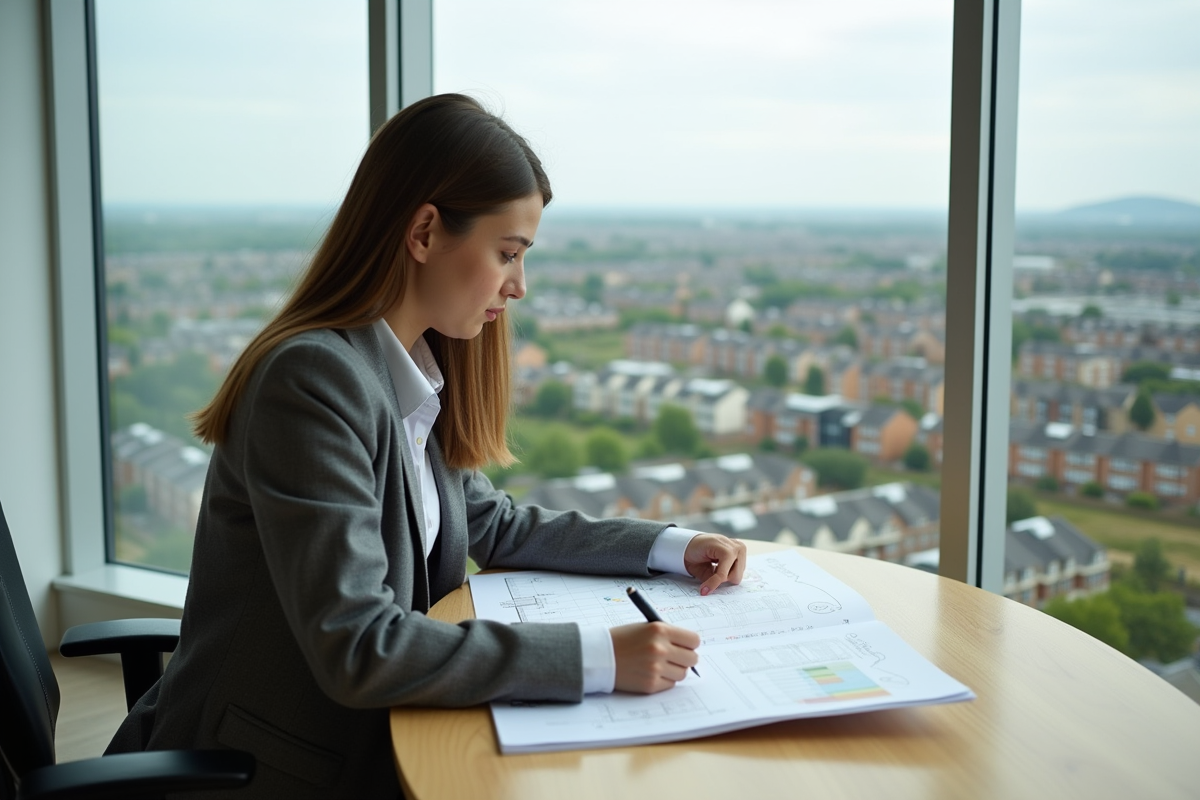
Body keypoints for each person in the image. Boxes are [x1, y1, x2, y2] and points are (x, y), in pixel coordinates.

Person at [106, 94, 746, 799]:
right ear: (424, 232)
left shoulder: (405, 372)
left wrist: (669, 547)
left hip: (373, 736)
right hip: (274, 768)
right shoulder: (313, 383)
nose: (520, 285)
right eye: (508, 253)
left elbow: (493, 523)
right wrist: (598, 657)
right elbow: (358, 644)